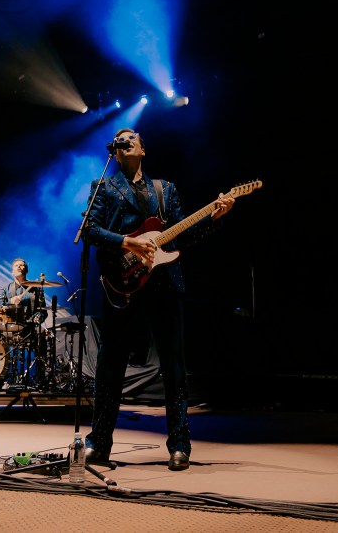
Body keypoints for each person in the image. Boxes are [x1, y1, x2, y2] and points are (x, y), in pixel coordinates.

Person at [82, 128, 235, 471]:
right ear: (117, 152)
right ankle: (98, 442)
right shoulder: (103, 187)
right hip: (121, 282)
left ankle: (179, 444)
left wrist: (214, 217)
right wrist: (127, 242)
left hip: (163, 282)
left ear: (143, 149)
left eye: (132, 136)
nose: (127, 139)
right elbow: (90, 231)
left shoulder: (165, 190)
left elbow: (185, 234)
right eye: (121, 139)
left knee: (174, 366)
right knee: (110, 365)